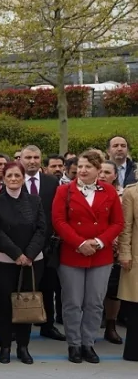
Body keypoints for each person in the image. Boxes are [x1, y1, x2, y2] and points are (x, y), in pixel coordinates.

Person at [52, 149, 124, 364]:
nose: (82, 170)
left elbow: (118, 223)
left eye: (88, 167)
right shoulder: (64, 191)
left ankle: (88, 343)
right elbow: (58, 221)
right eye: (80, 166)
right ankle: (74, 344)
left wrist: (100, 242)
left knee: (94, 302)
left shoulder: (109, 192)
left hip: (100, 256)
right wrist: (80, 243)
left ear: (98, 170)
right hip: (72, 253)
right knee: (72, 301)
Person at [0, 162, 46, 365]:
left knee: (26, 304)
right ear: (3, 178)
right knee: (4, 305)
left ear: (23, 178)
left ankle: (23, 347)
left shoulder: (35, 201)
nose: (13, 179)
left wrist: (28, 254)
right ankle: (5, 347)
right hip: (4, 262)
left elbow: (41, 229)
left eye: (17, 176)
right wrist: (16, 254)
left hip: (31, 263)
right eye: (9, 176)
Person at [22, 145, 67, 342]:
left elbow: (57, 213)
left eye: (36, 157)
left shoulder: (52, 183)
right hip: (21, 245)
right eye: (28, 157)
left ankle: (47, 326)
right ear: (21, 159)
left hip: (48, 245)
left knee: (48, 286)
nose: (32, 161)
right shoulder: (14, 180)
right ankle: (19, 327)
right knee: (21, 287)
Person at [99, 160, 125, 344]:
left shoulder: (125, 194)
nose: (102, 175)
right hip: (95, 247)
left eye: (107, 172)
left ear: (115, 175)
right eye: (100, 171)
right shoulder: (87, 192)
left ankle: (111, 326)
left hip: (116, 249)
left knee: (113, 291)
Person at [118, 179, 138, 360]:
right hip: (136, 256)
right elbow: (126, 228)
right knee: (135, 306)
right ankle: (134, 351)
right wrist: (124, 253)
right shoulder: (132, 192)